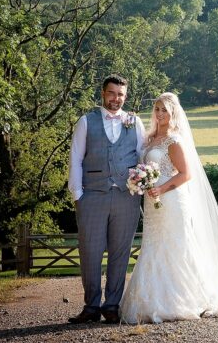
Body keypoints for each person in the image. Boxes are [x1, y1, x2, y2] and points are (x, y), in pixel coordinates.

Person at [119, 92, 218, 323]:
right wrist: (140, 181)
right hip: (151, 202)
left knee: (174, 245)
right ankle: (148, 299)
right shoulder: (150, 139)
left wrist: (161, 189)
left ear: (173, 114)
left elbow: (185, 174)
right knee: (153, 244)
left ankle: (180, 300)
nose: (160, 114)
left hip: (170, 200)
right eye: (157, 109)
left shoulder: (174, 140)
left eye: (164, 110)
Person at [67, 74, 146, 324]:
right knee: (89, 251)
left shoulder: (135, 122)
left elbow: (142, 158)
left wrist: (141, 185)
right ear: (103, 94)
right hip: (92, 196)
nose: (116, 99)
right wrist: (78, 195)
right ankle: (90, 306)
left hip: (126, 198)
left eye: (121, 94)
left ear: (125, 96)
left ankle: (111, 306)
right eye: (112, 93)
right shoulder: (86, 121)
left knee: (120, 253)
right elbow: (76, 158)